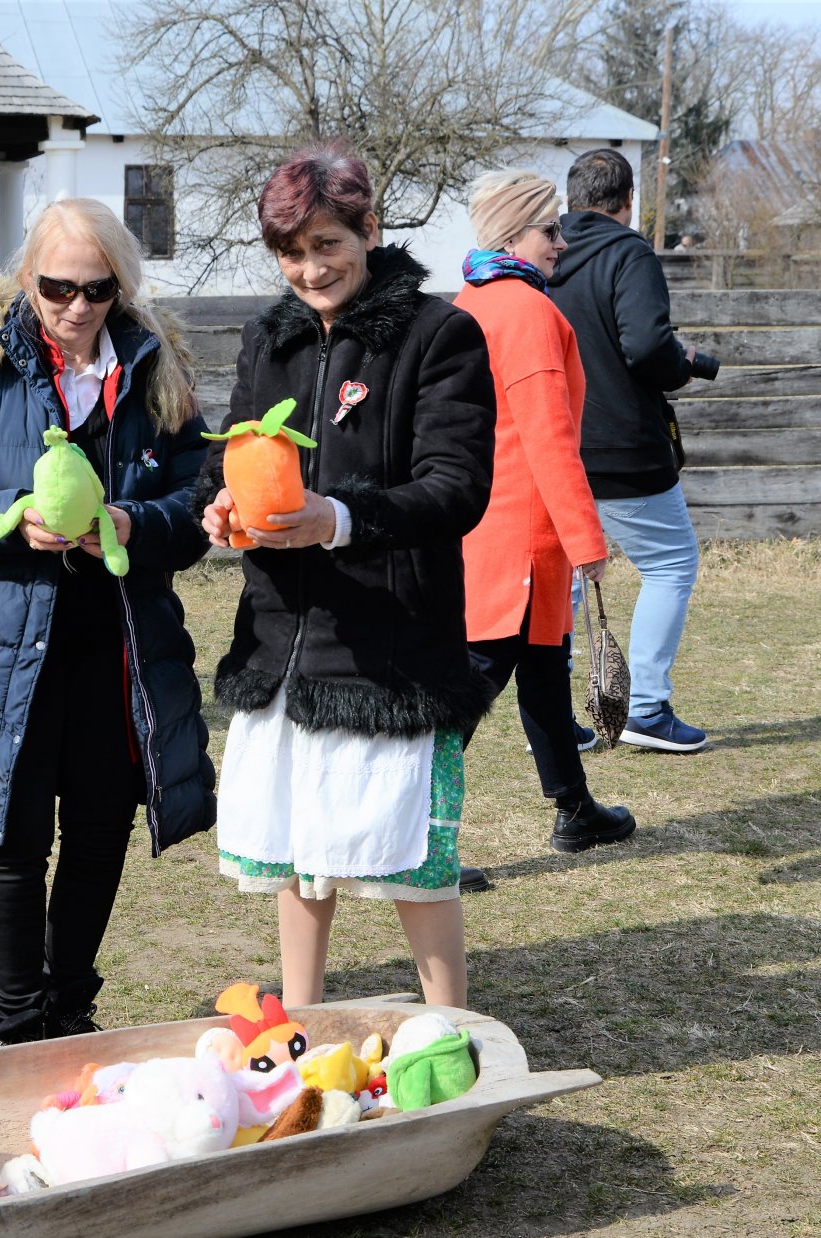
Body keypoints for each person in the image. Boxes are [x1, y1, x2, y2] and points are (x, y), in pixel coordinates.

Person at [0, 197, 215, 1044]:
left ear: (122, 285)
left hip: (120, 644)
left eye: (98, 290)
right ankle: (16, 1017)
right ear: (25, 279)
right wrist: (10, 516)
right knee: (12, 828)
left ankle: (69, 1002)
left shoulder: (159, 371)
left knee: (101, 827)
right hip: (9, 639)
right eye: (57, 288)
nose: (78, 308)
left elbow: (199, 500)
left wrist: (131, 526)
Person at [197, 142, 496, 1010]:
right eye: (291, 252)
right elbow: (236, 453)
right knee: (298, 847)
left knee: (412, 855)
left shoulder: (440, 334)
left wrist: (340, 518)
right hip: (283, 637)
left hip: (393, 645)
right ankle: (304, 1015)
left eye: (327, 244)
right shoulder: (269, 336)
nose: (309, 268)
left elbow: (456, 487)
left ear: (369, 229)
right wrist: (218, 506)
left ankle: (450, 1026)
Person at [453, 169, 637, 854]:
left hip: (486, 523)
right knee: (474, 686)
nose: (562, 242)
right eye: (550, 229)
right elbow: (549, 436)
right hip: (523, 534)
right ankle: (411, 833)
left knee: (542, 668)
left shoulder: (470, 300)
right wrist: (587, 540)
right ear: (511, 232)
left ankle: (575, 806)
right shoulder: (526, 311)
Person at [550, 148, 719, 752]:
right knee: (670, 564)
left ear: (571, 199)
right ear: (627, 203)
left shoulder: (538, 255)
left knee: (565, 576)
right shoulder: (629, 252)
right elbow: (649, 348)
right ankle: (646, 710)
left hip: (556, 448)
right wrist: (689, 363)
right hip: (625, 447)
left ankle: (553, 717)